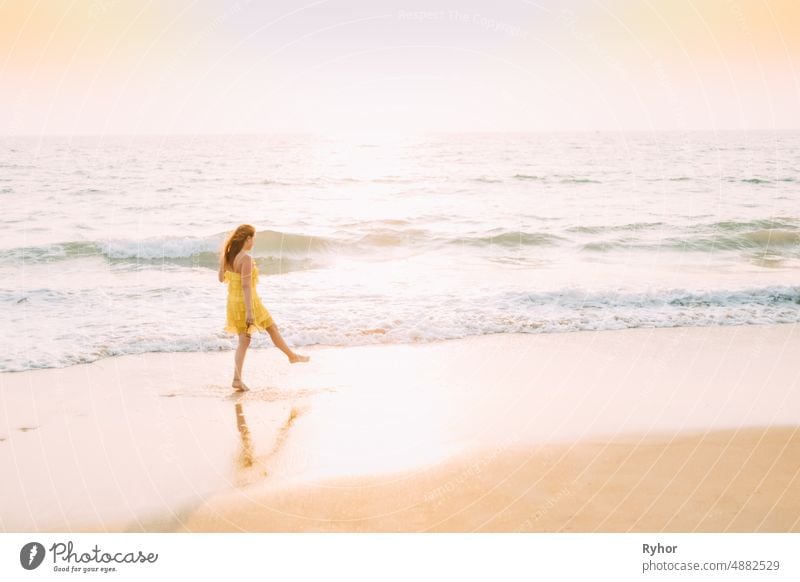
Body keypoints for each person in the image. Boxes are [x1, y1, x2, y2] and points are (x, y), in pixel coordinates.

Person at [218, 224, 309, 391]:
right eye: (253, 239)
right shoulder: (245, 259)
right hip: (248, 302)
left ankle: (238, 378)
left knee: (248, 339)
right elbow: (246, 286)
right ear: (247, 239)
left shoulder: (228, 256)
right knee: (268, 329)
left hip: (233, 302)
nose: (253, 243)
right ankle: (292, 356)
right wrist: (250, 313)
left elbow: (220, 279)